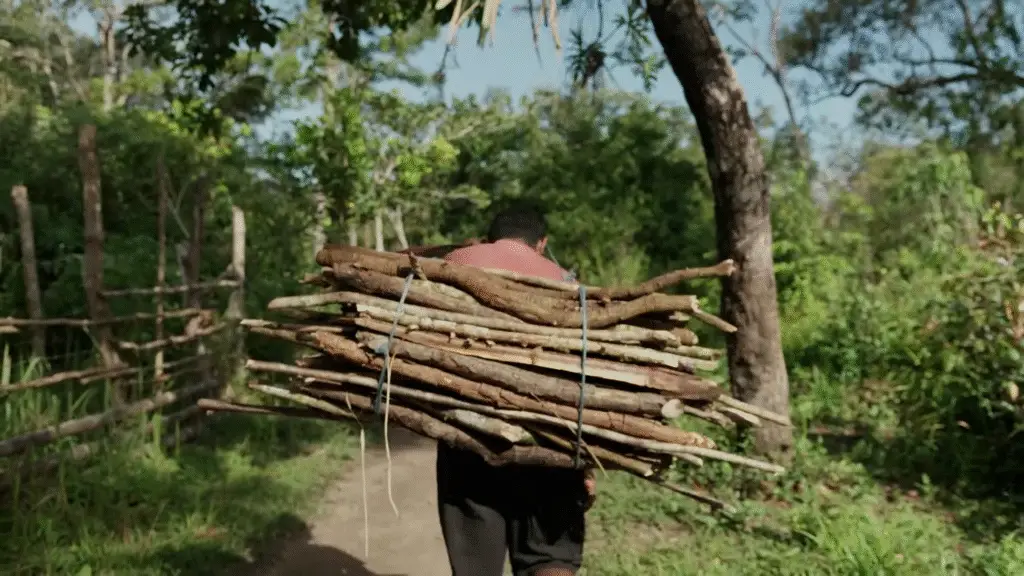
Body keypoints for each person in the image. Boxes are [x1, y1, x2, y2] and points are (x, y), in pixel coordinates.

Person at [437, 204, 595, 576]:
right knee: (550, 558)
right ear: (541, 243)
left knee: (476, 566)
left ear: (488, 238)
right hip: (550, 435)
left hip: (467, 433)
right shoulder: (566, 284)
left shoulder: (453, 265)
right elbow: (586, 381)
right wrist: (586, 464)